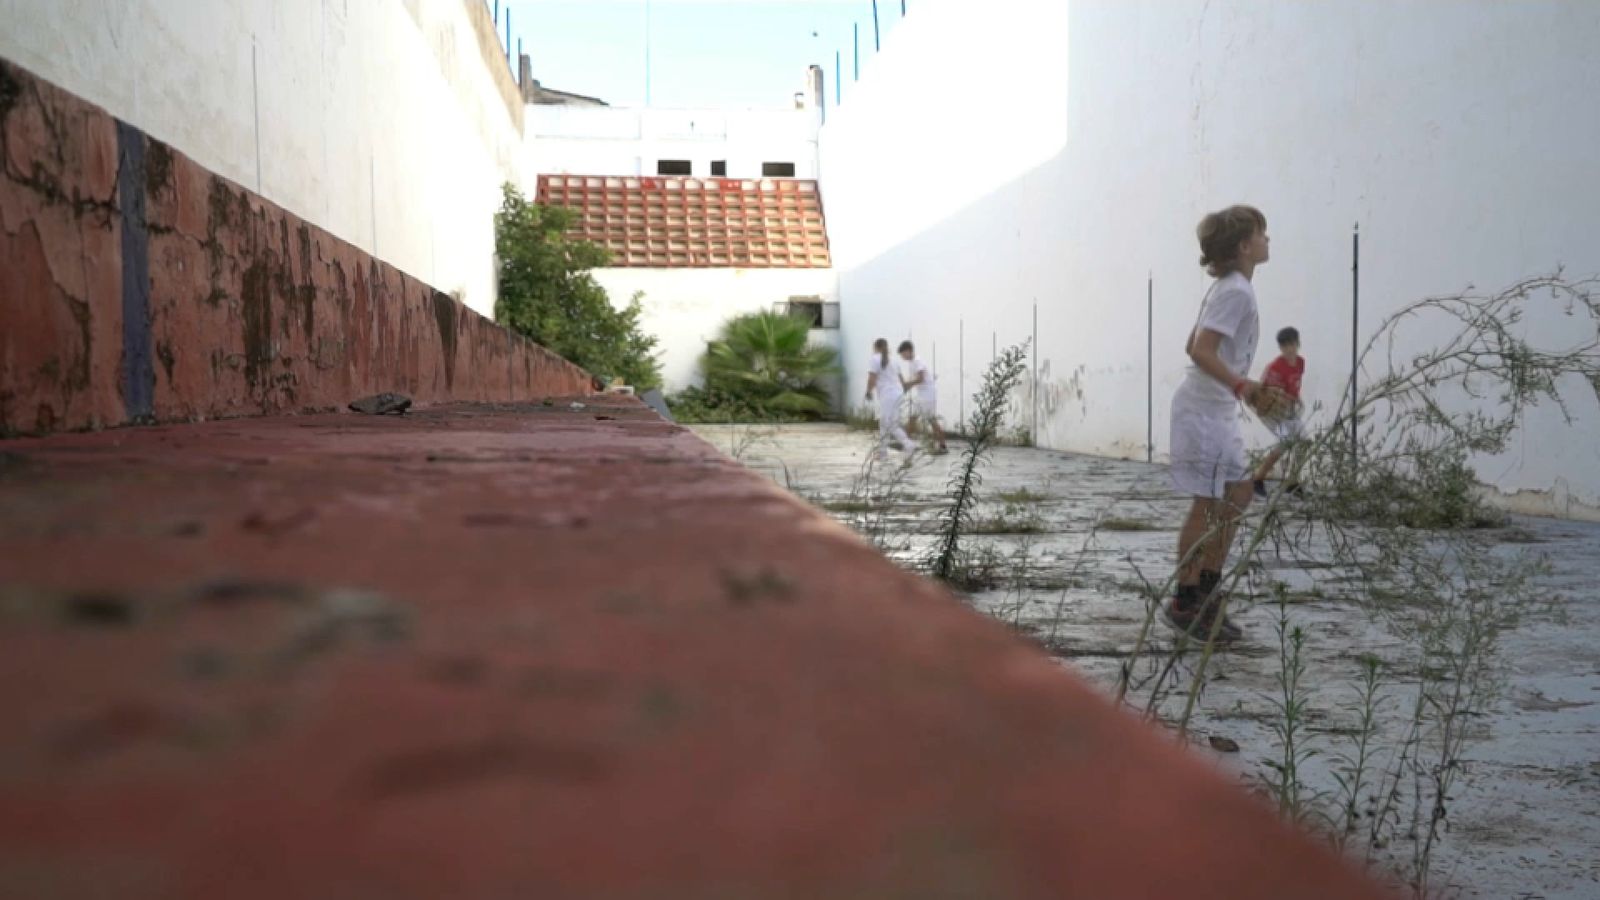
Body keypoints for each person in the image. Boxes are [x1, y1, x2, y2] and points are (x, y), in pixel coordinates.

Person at [1164, 205, 1272, 643]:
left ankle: (1207, 592)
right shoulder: (1236, 292)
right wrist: (1243, 385)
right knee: (1206, 505)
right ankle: (1185, 601)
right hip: (1203, 411)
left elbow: (1193, 341)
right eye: (1262, 234)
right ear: (1245, 246)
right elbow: (1200, 350)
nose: (1268, 240)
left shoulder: (1232, 288)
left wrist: (1236, 387)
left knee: (1240, 494)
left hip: (1215, 409)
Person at [1253, 327, 1306, 497]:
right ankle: (1257, 478)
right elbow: (1264, 392)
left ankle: (1293, 482)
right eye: (1284, 346)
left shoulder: (1300, 362)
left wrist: (1296, 399)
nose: (1289, 349)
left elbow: (1295, 385)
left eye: (1292, 344)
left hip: (1290, 410)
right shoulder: (1275, 367)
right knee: (1284, 443)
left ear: (1298, 343)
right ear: (1280, 348)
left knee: (1304, 442)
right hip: (1272, 412)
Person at [898, 340, 948, 454]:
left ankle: (943, 444)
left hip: (928, 395)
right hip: (922, 394)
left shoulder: (917, 361)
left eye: (903, 354)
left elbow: (921, 379)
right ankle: (907, 443)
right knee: (913, 418)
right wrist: (906, 388)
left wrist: (908, 384)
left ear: (909, 351)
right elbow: (916, 380)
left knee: (931, 420)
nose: (902, 356)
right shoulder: (912, 363)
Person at [865, 338, 912, 460]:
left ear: (875, 347)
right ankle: (883, 452)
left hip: (888, 395)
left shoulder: (875, 359)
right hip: (897, 393)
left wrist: (868, 391)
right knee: (884, 423)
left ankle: (908, 444)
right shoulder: (894, 360)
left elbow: (872, 378)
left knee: (889, 423)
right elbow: (902, 380)